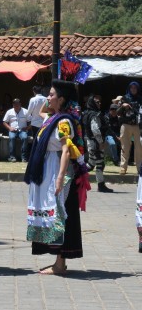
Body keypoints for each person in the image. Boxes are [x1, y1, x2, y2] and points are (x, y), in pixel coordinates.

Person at [24, 79, 89, 275]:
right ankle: (57, 261)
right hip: (47, 168)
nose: (48, 98)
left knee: (61, 213)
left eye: (52, 95)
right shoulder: (52, 118)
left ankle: (60, 263)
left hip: (57, 168)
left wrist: (60, 177)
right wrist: (54, 88)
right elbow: (42, 110)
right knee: (53, 213)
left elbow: (67, 150)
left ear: (61, 99)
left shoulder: (63, 121)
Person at [82, 95, 113, 193]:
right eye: (97, 102)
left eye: (100, 102)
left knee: (91, 164)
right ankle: (101, 185)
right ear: (92, 103)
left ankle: (77, 176)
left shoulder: (88, 113)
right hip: (95, 143)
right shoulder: (93, 115)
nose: (99, 104)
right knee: (99, 164)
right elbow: (95, 129)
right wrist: (101, 142)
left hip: (91, 142)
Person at [117, 82, 142, 175]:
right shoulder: (124, 98)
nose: (133, 89)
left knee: (139, 148)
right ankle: (123, 168)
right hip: (126, 125)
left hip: (137, 126)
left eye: (135, 88)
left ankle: (139, 168)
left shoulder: (140, 99)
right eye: (132, 88)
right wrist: (122, 106)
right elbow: (117, 112)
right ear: (129, 88)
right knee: (125, 147)